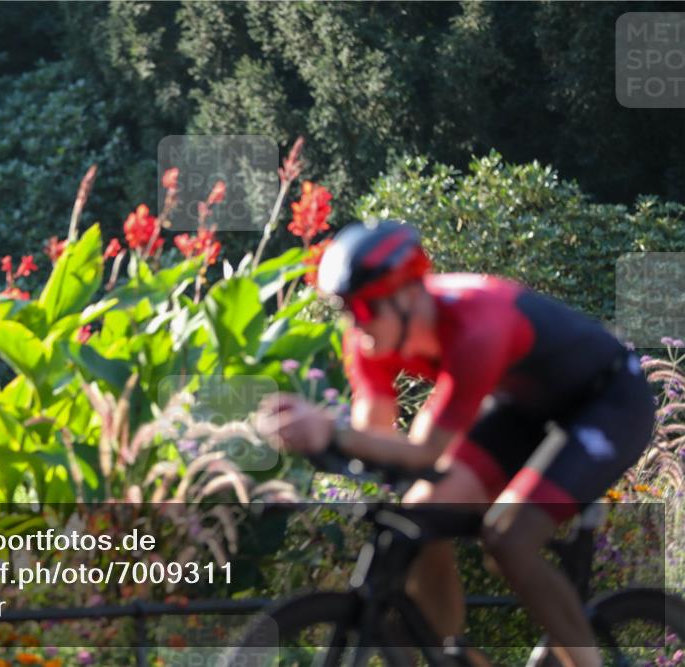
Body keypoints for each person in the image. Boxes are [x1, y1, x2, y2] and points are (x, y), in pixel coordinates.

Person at [256, 220, 654, 667]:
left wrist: (330, 430)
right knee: (421, 516)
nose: (354, 323)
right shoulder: (367, 340)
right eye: (346, 310)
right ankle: (449, 655)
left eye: (364, 309)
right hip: (523, 408)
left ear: (406, 295)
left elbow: (425, 452)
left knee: (508, 538)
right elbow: (377, 436)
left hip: (609, 403)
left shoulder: (476, 325)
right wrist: (329, 443)